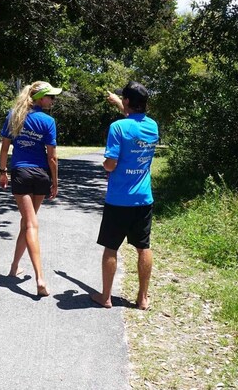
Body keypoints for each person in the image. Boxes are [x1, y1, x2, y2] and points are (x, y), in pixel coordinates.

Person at [92, 81, 159, 310]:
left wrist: (104, 165)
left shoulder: (117, 127)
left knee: (111, 248)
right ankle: (142, 299)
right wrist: (118, 102)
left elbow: (111, 164)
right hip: (143, 199)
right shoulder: (153, 127)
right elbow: (134, 121)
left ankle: (106, 297)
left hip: (118, 200)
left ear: (127, 101)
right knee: (143, 247)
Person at [0, 81, 62, 297]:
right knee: (28, 222)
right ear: (40, 98)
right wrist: (55, 181)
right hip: (41, 175)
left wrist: (2, 171)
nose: (53, 100)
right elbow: (52, 157)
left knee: (29, 223)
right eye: (50, 96)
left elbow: (5, 147)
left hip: (22, 174)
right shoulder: (48, 121)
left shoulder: (14, 115)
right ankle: (15, 268)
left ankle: (39, 278)